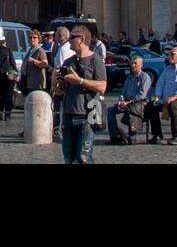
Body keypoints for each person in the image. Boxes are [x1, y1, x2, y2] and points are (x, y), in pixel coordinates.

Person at [60, 25, 107, 164]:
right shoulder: (68, 62)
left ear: (82, 39)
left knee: (83, 158)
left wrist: (79, 80)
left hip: (87, 116)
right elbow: (61, 90)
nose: (69, 40)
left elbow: (102, 86)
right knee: (68, 159)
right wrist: (57, 82)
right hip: (69, 114)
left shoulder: (96, 60)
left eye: (72, 37)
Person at [146, 45, 177, 144]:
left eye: (173, 54)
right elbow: (160, 83)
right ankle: (157, 135)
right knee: (151, 106)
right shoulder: (167, 69)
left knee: (172, 105)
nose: (170, 56)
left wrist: (174, 97)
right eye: (169, 54)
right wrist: (157, 96)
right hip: (166, 98)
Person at [109, 54, 151, 144]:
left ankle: (132, 136)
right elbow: (123, 92)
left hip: (139, 104)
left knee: (131, 108)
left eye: (135, 63)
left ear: (141, 65)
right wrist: (121, 101)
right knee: (110, 110)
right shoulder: (129, 77)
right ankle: (114, 136)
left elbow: (142, 95)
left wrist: (128, 103)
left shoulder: (145, 77)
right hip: (126, 103)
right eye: (132, 63)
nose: (133, 65)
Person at [21, 31, 48, 100]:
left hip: (37, 83)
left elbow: (45, 64)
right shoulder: (30, 50)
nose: (32, 39)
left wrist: (34, 61)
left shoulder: (40, 51)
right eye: (30, 37)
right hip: (29, 82)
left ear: (39, 39)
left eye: (34, 37)